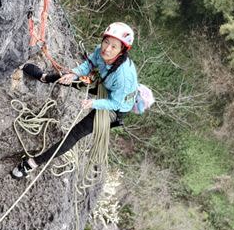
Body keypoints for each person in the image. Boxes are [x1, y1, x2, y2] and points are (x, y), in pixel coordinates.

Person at [12, 22, 139, 178]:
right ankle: (45, 78)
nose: (107, 48)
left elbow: (115, 103)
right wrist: (74, 74)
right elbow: (89, 64)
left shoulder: (123, 77)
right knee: (68, 77)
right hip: (104, 85)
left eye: (114, 46)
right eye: (106, 42)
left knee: (75, 134)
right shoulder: (101, 51)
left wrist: (93, 103)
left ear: (122, 51)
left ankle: (32, 164)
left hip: (116, 107)